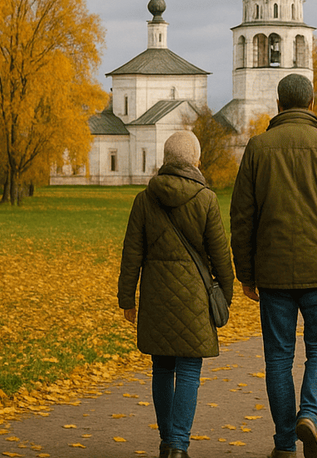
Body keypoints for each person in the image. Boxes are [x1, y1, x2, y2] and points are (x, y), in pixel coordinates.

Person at [231, 74, 317, 458]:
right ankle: (309, 415)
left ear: (279, 103)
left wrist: (246, 273)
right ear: (310, 103)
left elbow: (242, 216)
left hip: (273, 272)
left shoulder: (257, 148)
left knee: (278, 356)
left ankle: (285, 444)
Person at [119, 132, 233, 458]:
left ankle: (168, 441)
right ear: (195, 160)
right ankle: (178, 444)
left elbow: (132, 254)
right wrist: (225, 294)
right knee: (188, 371)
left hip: (155, 296)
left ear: (166, 159)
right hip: (194, 300)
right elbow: (220, 255)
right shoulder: (206, 199)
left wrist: (127, 298)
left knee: (162, 369)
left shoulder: (144, 199)